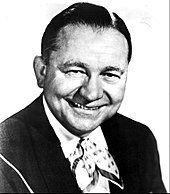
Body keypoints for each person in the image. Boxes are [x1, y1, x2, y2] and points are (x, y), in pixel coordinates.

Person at [0, 2, 166, 193]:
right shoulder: (5, 154)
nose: (91, 93)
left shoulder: (139, 140)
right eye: (75, 71)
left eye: (110, 74)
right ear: (41, 72)